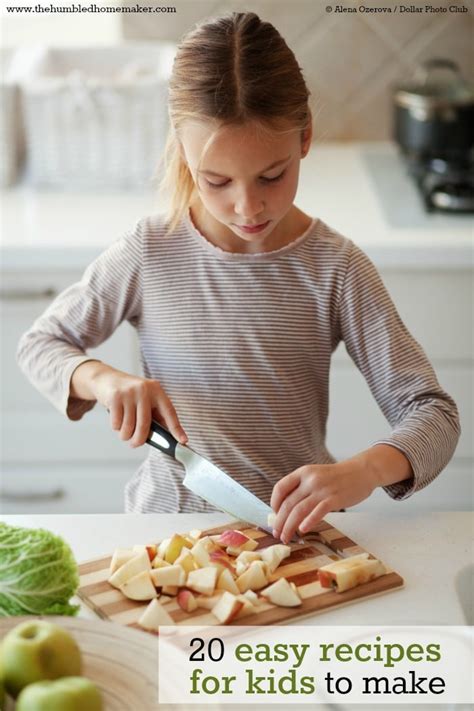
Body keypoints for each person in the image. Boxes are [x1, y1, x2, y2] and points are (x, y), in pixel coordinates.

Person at [17, 12, 460, 544]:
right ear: (183, 152)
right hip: (166, 534)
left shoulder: (335, 267)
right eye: (216, 180)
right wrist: (104, 381)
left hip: (290, 544)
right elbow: (41, 344)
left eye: (272, 175)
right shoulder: (149, 250)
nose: (248, 206)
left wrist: (361, 472)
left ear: (305, 138)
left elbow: (433, 414)